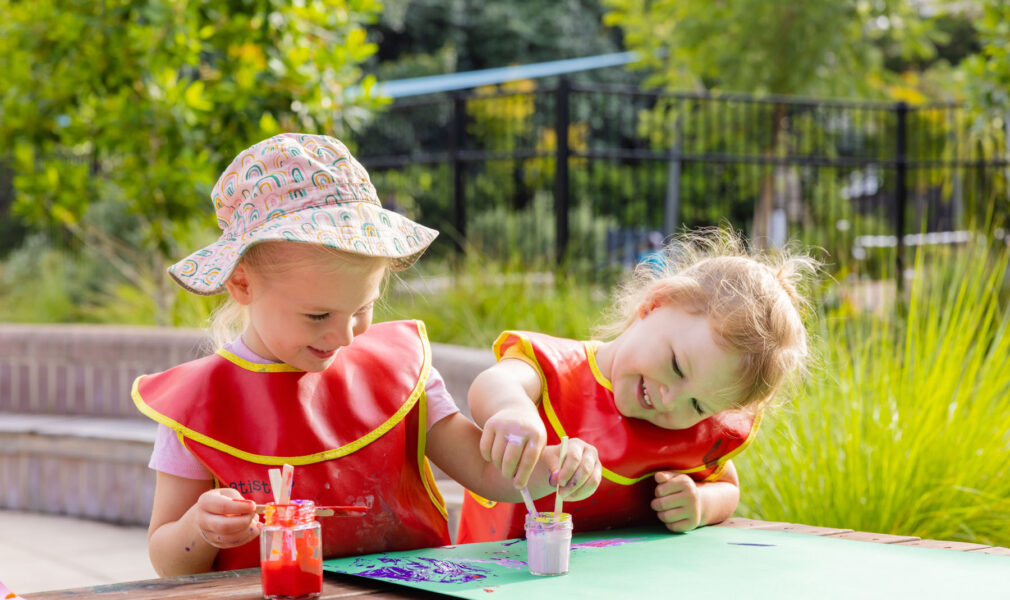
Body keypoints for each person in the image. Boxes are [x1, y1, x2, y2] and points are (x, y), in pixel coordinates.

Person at [134, 133, 593, 576]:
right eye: (318, 316)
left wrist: (557, 469)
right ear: (242, 285)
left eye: (362, 309)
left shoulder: (399, 371)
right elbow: (167, 561)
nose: (345, 336)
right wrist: (200, 528)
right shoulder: (198, 403)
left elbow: (486, 473)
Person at [457, 228, 817, 543]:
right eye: (676, 366)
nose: (670, 399)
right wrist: (513, 410)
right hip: (499, 574)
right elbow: (495, 381)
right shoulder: (559, 370)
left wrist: (699, 503)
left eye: (697, 406)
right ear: (654, 304)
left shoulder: (691, 432)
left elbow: (728, 487)